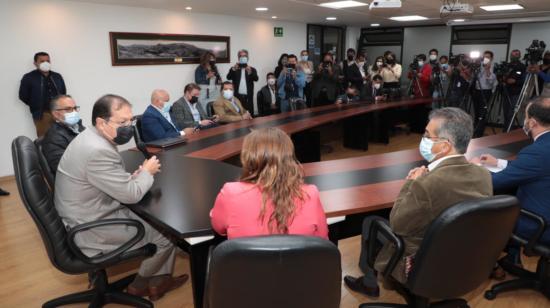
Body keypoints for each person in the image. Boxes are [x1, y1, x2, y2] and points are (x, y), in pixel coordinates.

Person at [344, 107, 492, 297]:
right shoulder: (483, 174)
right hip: (465, 259)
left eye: (427, 135)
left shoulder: (426, 184)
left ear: (445, 146)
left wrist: (412, 183)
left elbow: (397, 224)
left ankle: (369, 283)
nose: (423, 139)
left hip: (420, 263)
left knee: (370, 221)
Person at [55, 94, 188, 300]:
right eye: (122, 122)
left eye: (130, 120)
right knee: (167, 234)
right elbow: (131, 195)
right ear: (101, 122)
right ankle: (140, 284)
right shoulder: (98, 150)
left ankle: (159, 281)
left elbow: (100, 178)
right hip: (92, 227)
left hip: (87, 211)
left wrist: (129, 177)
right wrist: (147, 172)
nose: (128, 126)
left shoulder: (89, 136)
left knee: (157, 221)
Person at [210, 127, 328, 240]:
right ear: (289, 157)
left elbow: (219, 228)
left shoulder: (230, 193)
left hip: (247, 261)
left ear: (247, 157)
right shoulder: (310, 194)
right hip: (298, 260)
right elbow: (322, 238)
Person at [474, 97, 550, 266]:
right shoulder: (540, 153)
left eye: (525, 116)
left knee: (490, 208)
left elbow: (493, 183)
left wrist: (475, 168)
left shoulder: (536, 152)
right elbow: (539, 169)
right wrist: (499, 163)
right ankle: (512, 258)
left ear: (532, 123)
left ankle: (486, 265)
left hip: (541, 226)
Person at [19, 52, 67, 137]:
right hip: (42, 114)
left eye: (48, 61)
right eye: (42, 61)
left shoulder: (57, 76)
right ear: (35, 63)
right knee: (44, 139)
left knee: (62, 137)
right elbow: (23, 96)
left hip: (59, 113)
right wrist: (35, 105)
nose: (45, 63)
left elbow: (63, 92)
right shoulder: (29, 77)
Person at [42, 95, 85, 174]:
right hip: (75, 181)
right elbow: (64, 169)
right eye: (68, 109)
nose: (74, 112)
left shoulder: (79, 128)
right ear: (56, 114)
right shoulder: (53, 138)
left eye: (75, 108)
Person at [472, 50, 497, 138]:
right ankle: (475, 131)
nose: (486, 58)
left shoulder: (493, 67)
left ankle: (479, 133)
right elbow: (473, 78)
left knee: (482, 113)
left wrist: (487, 70)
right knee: (476, 112)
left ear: (491, 58)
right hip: (477, 91)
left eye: (488, 57)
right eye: (484, 57)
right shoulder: (479, 66)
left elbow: (491, 82)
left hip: (486, 92)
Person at [226, 49, 259, 115]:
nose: (243, 57)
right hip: (237, 97)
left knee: (249, 116)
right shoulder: (234, 68)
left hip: (248, 97)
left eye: (245, 56)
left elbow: (256, 79)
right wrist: (233, 69)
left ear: (247, 58)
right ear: (238, 58)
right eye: (241, 56)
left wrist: (250, 72)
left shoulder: (252, 69)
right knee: (238, 116)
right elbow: (228, 77)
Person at [503, 49, 527, 130]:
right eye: (512, 54)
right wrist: (505, 79)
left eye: (516, 54)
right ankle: (505, 130)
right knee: (506, 113)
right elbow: (502, 77)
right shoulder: (507, 65)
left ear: (519, 56)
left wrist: (515, 81)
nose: (514, 56)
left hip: (516, 93)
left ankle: (508, 131)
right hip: (506, 92)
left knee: (511, 114)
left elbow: (524, 80)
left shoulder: (522, 67)